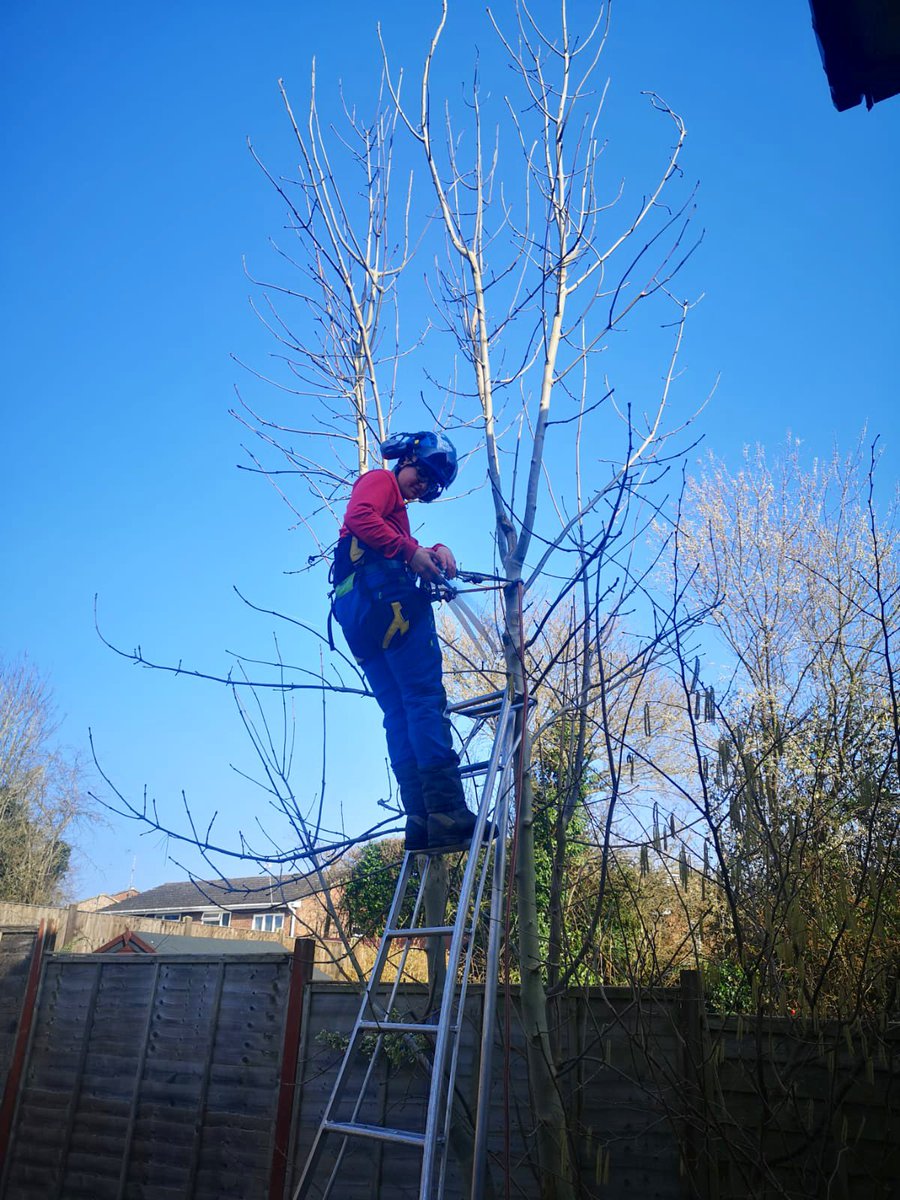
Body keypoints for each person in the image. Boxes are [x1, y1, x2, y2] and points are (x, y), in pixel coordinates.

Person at [331, 431, 478, 854]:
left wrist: (431, 549)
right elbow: (361, 516)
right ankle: (447, 810)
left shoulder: (395, 515)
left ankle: (420, 817)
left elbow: (383, 542)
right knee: (423, 701)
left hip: (361, 620)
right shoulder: (379, 481)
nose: (425, 485)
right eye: (424, 473)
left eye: (434, 484)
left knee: (398, 713)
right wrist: (411, 551)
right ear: (407, 458)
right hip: (389, 608)